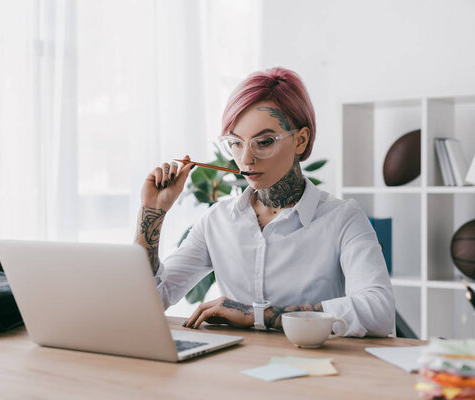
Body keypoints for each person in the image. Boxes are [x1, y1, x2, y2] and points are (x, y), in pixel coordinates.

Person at [134, 66, 395, 337]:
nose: (246, 158)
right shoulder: (217, 221)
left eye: (264, 141)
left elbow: (378, 312)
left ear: (301, 141)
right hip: (239, 367)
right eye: (236, 143)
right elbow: (146, 302)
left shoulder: (342, 218)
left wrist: (259, 315)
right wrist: (152, 213)